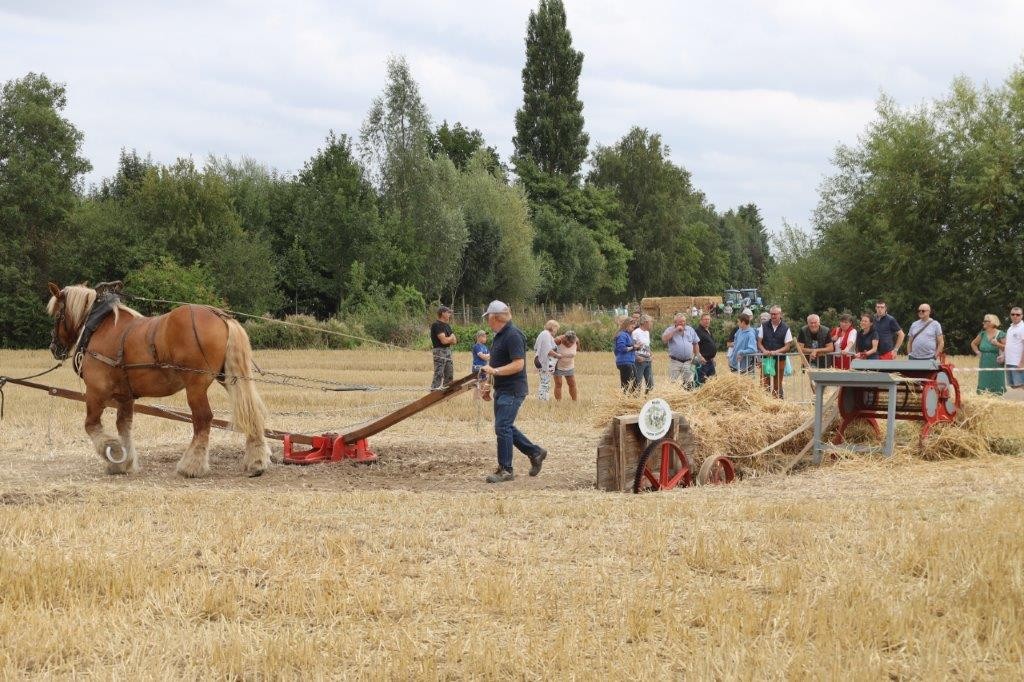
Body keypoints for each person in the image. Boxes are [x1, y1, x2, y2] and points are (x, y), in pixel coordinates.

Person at [479, 301, 547, 483]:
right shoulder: (499, 336)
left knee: (502, 427)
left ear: (494, 317)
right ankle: (535, 452)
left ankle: (506, 470)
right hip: (501, 389)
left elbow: (518, 364)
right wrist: (488, 384)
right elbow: (495, 364)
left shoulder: (513, 335)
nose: (487, 322)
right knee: (505, 427)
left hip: (513, 390)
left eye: (488, 318)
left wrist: (495, 372)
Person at [757, 305, 792, 398]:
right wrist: (764, 351)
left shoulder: (786, 328)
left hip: (780, 359)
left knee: (778, 383)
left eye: (775, 314)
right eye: (771, 314)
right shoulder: (763, 326)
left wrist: (776, 351)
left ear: (780, 314)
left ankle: (777, 402)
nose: (773, 316)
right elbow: (759, 342)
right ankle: (764, 401)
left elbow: (787, 346)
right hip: (767, 359)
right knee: (765, 382)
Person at [661, 313, 700, 386]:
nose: (683, 323)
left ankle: (687, 395)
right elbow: (664, 339)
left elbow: (696, 343)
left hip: (688, 361)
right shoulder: (670, 329)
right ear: (675, 322)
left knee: (689, 383)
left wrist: (697, 355)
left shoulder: (690, 329)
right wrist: (675, 330)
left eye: (684, 321)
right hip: (675, 361)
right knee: (672, 382)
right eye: (680, 322)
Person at [971, 314, 1006, 395]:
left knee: (996, 384)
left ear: (992, 323)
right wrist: (977, 352)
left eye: (985, 321)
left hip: (996, 362)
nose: (983, 322)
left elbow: (1007, 348)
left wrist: (997, 344)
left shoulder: (1001, 334)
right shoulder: (982, 334)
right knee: (984, 383)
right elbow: (973, 343)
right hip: (984, 362)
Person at [430, 305, 457, 390]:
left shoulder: (447, 326)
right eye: (448, 312)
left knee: (449, 373)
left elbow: (455, 341)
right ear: (442, 313)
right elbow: (444, 341)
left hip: (448, 350)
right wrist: (451, 338)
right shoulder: (436, 325)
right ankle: (434, 393)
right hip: (439, 351)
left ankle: (446, 394)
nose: (450, 314)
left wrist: (450, 339)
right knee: (439, 373)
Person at [533, 319, 560, 401]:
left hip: (543, 362)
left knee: (545, 382)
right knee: (545, 383)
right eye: (556, 328)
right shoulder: (546, 334)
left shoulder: (544, 334)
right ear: (553, 327)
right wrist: (558, 355)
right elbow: (548, 350)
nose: (556, 331)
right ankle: (543, 401)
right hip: (545, 363)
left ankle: (543, 399)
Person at [553, 330, 579, 401]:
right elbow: (549, 349)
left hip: (569, 366)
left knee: (572, 383)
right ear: (565, 338)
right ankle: (558, 402)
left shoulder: (576, 340)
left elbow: (578, 349)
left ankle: (574, 401)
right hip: (558, 366)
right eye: (568, 342)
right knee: (558, 384)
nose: (569, 344)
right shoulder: (558, 340)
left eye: (571, 342)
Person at [614, 315, 638, 392]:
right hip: (624, 362)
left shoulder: (628, 335)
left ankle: (629, 399)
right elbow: (622, 348)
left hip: (629, 361)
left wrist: (637, 347)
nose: (634, 326)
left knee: (634, 382)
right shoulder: (622, 335)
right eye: (632, 324)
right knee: (627, 384)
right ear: (627, 325)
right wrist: (633, 347)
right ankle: (626, 399)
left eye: (634, 324)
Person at [632, 315, 654, 393]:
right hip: (639, 361)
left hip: (648, 360)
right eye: (650, 322)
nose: (651, 324)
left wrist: (651, 354)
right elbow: (632, 346)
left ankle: (646, 400)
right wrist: (636, 357)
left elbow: (647, 345)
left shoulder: (647, 332)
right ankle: (635, 401)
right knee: (638, 383)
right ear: (645, 322)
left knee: (650, 384)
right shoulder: (635, 332)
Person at [694, 313, 717, 384]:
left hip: (710, 361)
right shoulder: (698, 331)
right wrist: (699, 356)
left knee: (713, 381)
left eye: (708, 319)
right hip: (702, 361)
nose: (707, 321)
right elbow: (695, 344)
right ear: (701, 321)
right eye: (705, 319)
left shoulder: (708, 331)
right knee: (700, 381)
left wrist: (712, 358)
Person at [1006, 306, 1024, 391]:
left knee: (1020, 386)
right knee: (1013, 386)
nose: (1015, 316)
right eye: (1013, 314)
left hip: (1017, 363)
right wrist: (1003, 356)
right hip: (1009, 362)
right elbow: (1009, 345)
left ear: (1022, 316)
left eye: (1018, 314)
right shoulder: (1010, 328)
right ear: (1010, 315)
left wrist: (1022, 363)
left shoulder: (1022, 328)